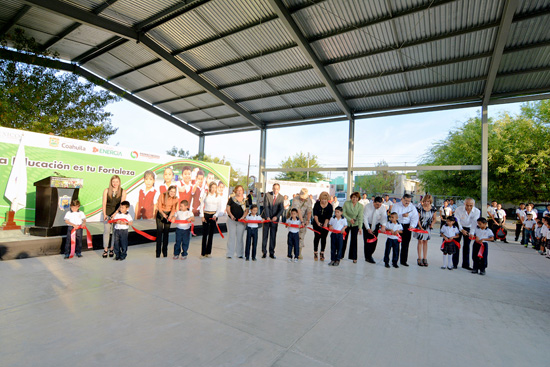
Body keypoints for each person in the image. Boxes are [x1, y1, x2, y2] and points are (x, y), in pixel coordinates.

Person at [102, 175, 127, 258]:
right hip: (107, 214)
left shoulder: (123, 191)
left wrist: (115, 214)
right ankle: (105, 249)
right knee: (106, 231)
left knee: (114, 233)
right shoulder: (106, 190)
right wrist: (105, 214)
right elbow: (104, 203)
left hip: (117, 215)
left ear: (119, 182)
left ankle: (112, 249)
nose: (115, 183)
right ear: (111, 182)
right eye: (113, 181)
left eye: (117, 181)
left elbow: (122, 205)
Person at [392, 194, 419, 267]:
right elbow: (393, 216)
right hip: (398, 225)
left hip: (407, 226)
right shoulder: (396, 206)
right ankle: (394, 261)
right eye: (406, 200)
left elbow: (415, 218)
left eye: (409, 201)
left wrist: (412, 226)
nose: (407, 202)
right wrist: (401, 215)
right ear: (402, 199)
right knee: (396, 244)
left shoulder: (412, 207)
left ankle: (403, 261)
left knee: (406, 244)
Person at [200, 181, 224, 258]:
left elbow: (219, 207)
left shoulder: (218, 196)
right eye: (212, 187)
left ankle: (208, 252)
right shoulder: (205, 194)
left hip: (213, 216)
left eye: (215, 187)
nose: (213, 189)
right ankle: (202, 253)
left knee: (211, 234)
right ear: (209, 187)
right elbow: (201, 205)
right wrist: (202, 215)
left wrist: (216, 215)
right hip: (206, 214)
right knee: (204, 234)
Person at [454, 198, 480, 270]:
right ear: (464, 204)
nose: (469, 207)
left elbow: (474, 223)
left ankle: (465, 264)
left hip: (469, 227)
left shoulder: (477, 211)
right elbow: (457, 221)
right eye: (467, 205)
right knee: (456, 244)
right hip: (459, 227)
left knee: (467, 246)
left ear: (473, 205)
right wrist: (461, 230)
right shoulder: (458, 209)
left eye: (471, 205)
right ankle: (454, 263)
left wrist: (471, 233)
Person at [261, 183, 284, 259]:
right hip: (267, 219)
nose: (275, 190)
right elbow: (266, 206)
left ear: (279, 189)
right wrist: (267, 216)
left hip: (274, 220)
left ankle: (272, 252)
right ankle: (264, 252)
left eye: (277, 189)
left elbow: (281, 209)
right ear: (272, 188)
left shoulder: (281, 197)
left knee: (273, 236)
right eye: (274, 188)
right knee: (265, 236)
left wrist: (276, 217)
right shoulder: (267, 195)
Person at [155, 185, 178, 258]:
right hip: (161, 214)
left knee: (166, 234)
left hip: (169, 215)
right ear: (168, 191)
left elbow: (174, 209)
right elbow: (159, 206)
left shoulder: (176, 198)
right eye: (171, 191)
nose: (172, 193)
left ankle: (165, 253)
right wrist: (163, 214)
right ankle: (158, 253)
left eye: (174, 192)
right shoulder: (162, 195)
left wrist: (170, 216)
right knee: (159, 233)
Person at [362, 196, 387, 264]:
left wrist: (383, 226)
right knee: (367, 242)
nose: (378, 206)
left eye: (380, 204)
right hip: (367, 224)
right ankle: (368, 257)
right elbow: (365, 218)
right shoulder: (367, 207)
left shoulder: (382, 208)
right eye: (377, 204)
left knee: (374, 241)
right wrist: (368, 228)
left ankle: (370, 254)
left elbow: (384, 218)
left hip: (376, 225)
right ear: (373, 202)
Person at [226, 185, 248, 259]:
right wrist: (231, 215)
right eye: (238, 190)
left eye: (240, 190)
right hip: (231, 220)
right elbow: (228, 208)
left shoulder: (245, 200)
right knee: (231, 237)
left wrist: (243, 217)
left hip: (241, 222)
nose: (239, 192)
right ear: (235, 191)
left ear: (243, 191)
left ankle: (240, 254)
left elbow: (247, 210)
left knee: (240, 237)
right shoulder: (232, 199)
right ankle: (229, 254)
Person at [415, 194, 437, 267]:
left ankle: (425, 258)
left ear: (430, 201)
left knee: (425, 241)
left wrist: (432, 224)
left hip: (428, 226)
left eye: (428, 201)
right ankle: (419, 258)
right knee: (420, 241)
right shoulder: (419, 208)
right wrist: (420, 227)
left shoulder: (433, 208)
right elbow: (417, 218)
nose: (426, 203)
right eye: (425, 201)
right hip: (420, 225)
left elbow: (434, 219)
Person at [291, 188, 313, 259]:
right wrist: (302, 221)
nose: (303, 199)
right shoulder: (295, 199)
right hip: (295, 219)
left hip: (304, 219)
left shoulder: (309, 200)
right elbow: (298, 211)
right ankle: (291, 252)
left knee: (301, 236)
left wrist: (308, 220)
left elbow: (309, 211)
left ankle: (299, 253)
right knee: (293, 235)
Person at [342, 192, 364, 263]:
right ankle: (340, 255)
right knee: (344, 239)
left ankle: (354, 257)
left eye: (356, 197)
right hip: (346, 223)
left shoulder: (360, 206)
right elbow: (343, 213)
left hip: (355, 224)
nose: (354, 199)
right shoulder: (346, 203)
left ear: (358, 199)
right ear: (351, 197)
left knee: (354, 240)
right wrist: (349, 219)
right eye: (353, 197)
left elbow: (360, 217)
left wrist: (360, 227)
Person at [312, 191, 333, 261]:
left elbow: (329, 216)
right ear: (320, 199)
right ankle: (315, 252)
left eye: (325, 199)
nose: (324, 201)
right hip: (317, 223)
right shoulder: (317, 204)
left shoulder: (330, 206)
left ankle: (322, 252)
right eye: (322, 199)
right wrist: (317, 222)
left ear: (327, 199)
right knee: (317, 237)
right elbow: (315, 214)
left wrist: (326, 223)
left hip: (325, 224)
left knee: (324, 238)